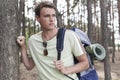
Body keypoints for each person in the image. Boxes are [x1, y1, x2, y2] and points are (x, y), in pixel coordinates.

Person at [17, 1, 89, 80]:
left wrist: (66, 70)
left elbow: (85, 63)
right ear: (38, 18)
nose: (51, 19)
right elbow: (29, 66)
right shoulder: (33, 41)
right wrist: (23, 47)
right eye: (47, 16)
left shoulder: (69, 36)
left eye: (53, 16)